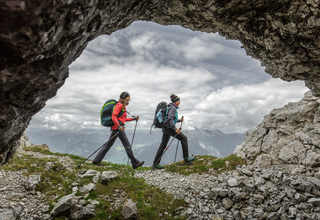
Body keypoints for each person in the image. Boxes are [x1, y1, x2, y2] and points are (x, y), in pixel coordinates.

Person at [92, 91, 144, 169]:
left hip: (116, 128)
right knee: (127, 146)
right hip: (118, 129)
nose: (129, 99)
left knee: (108, 145)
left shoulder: (123, 106)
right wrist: (119, 127)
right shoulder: (119, 105)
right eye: (128, 97)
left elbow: (123, 119)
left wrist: (133, 119)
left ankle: (96, 160)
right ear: (125, 98)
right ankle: (135, 162)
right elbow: (114, 116)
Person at [153, 94, 195, 169]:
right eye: (179, 101)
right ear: (175, 102)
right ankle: (186, 158)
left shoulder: (169, 107)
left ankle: (155, 163)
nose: (179, 103)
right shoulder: (173, 108)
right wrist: (175, 129)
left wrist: (179, 120)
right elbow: (169, 119)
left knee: (163, 145)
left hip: (165, 128)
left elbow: (170, 119)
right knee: (184, 139)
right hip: (170, 128)